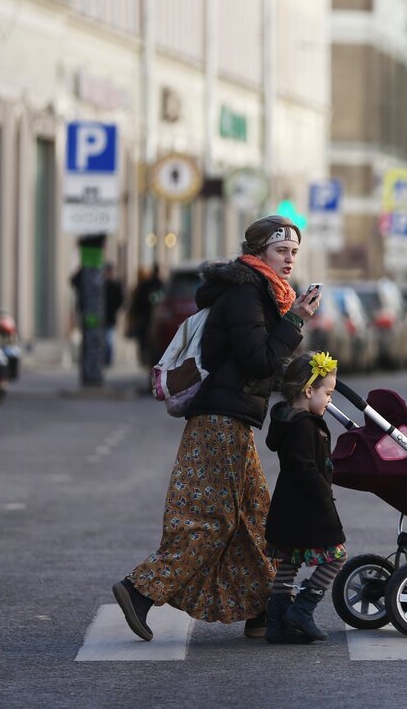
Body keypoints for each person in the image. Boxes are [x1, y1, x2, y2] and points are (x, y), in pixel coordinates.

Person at [112, 215, 322, 642]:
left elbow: (262, 362)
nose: (289, 260)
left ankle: (262, 608)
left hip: (233, 419)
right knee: (211, 519)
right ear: (258, 252)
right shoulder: (246, 294)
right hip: (219, 422)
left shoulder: (261, 294)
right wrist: (295, 321)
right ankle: (140, 591)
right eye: (281, 251)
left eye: (294, 252)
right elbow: (257, 361)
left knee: (255, 517)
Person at [263, 351, 346, 644]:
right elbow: (303, 466)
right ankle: (302, 609)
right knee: (336, 556)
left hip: (288, 506)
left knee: (288, 560)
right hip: (308, 505)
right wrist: (323, 494)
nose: (329, 400)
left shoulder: (290, 422)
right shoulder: (302, 426)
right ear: (309, 390)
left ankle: (277, 621)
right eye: (328, 393)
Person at [127, 265, 164, 367]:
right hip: (148, 317)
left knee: (143, 339)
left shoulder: (145, 285)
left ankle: (144, 356)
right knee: (147, 339)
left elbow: (136, 303)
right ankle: (145, 356)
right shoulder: (161, 285)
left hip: (144, 317)